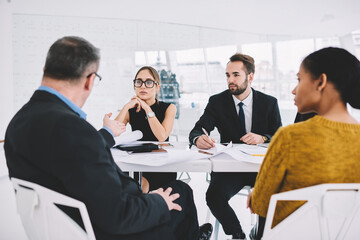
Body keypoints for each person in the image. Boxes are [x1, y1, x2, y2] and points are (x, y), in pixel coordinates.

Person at [4, 36, 212, 240]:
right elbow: (119, 215)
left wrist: (106, 133)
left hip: (69, 227)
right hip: (113, 231)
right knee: (180, 191)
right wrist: (159, 202)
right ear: (90, 81)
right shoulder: (74, 129)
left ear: (44, 71)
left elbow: (73, 152)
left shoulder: (17, 125)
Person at [248, 47, 360, 240]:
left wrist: (255, 195)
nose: (294, 89)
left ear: (321, 82)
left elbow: (261, 204)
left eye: (299, 80)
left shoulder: (290, 137)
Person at [189, 53, 282, 239]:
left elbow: (279, 134)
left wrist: (263, 138)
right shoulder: (217, 101)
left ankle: (260, 234)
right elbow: (197, 130)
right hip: (230, 168)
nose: (230, 80)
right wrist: (198, 138)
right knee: (214, 196)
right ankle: (237, 233)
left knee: (271, 194)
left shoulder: (269, 103)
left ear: (251, 77)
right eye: (227, 75)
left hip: (259, 168)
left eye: (236, 75)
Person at [115, 66, 177, 192]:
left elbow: (162, 136)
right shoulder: (130, 109)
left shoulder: (169, 107)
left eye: (148, 82)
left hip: (161, 165)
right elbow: (112, 132)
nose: (143, 86)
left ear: (157, 87)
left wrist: (147, 109)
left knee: (139, 185)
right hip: (136, 162)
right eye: (139, 82)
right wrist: (126, 107)